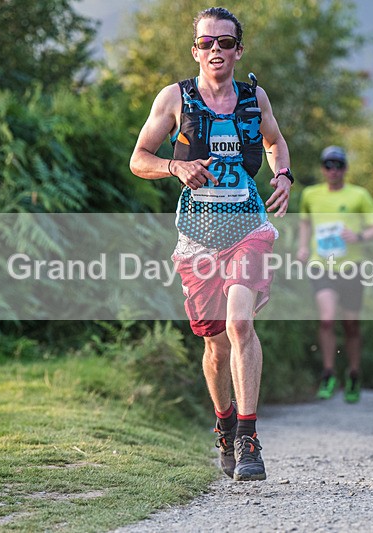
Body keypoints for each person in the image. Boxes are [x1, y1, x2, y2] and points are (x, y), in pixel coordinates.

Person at [129, 7, 292, 482]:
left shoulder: (254, 98)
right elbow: (139, 158)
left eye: (225, 42)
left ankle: (248, 438)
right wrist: (174, 166)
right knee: (216, 343)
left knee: (240, 323)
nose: (215, 49)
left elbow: (275, 142)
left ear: (239, 51)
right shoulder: (174, 98)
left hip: (247, 227)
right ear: (195, 50)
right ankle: (225, 424)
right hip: (197, 237)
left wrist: (283, 174)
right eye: (207, 42)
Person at [297, 146, 373, 403]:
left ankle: (354, 373)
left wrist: (358, 236)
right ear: (322, 168)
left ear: (345, 168)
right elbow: (305, 222)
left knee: (351, 325)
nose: (333, 170)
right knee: (327, 319)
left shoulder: (359, 195)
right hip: (321, 265)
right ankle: (328, 374)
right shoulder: (310, 194)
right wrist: (302, 246)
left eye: (338, 165)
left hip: (351, 266)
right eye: (328, 165)